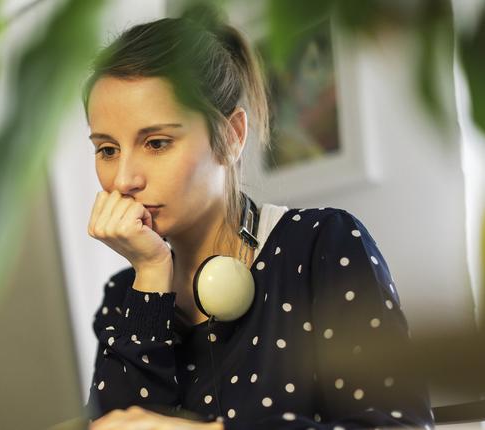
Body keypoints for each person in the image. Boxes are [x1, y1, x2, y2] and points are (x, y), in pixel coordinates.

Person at [81, 4, 435, 430]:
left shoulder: (322, 245)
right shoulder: (126, 296)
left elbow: (402, 426)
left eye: (156, 143)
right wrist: (152, 274)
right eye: (106, 149)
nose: (123, 179)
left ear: (230, 137)